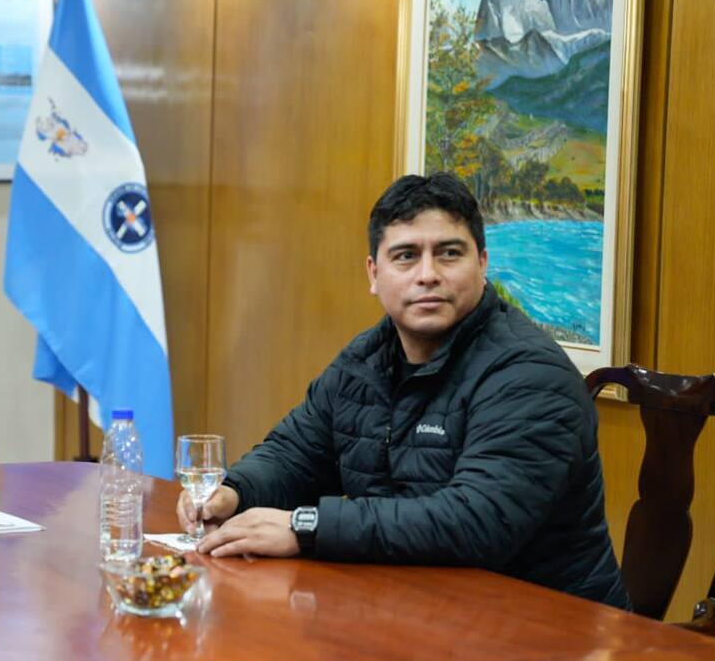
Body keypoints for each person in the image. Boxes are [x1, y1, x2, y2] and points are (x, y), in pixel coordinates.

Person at [178, 172, 630, 608]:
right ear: (374, 274)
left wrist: (307, 526)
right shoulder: (366, 359)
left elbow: (476, 523)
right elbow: (295, 454)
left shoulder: (530, 374)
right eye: (406, 256)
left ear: (483, 263)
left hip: (546, 637)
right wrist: (234, 492)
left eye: (449, 253)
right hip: (421, 614)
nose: (428, 274)